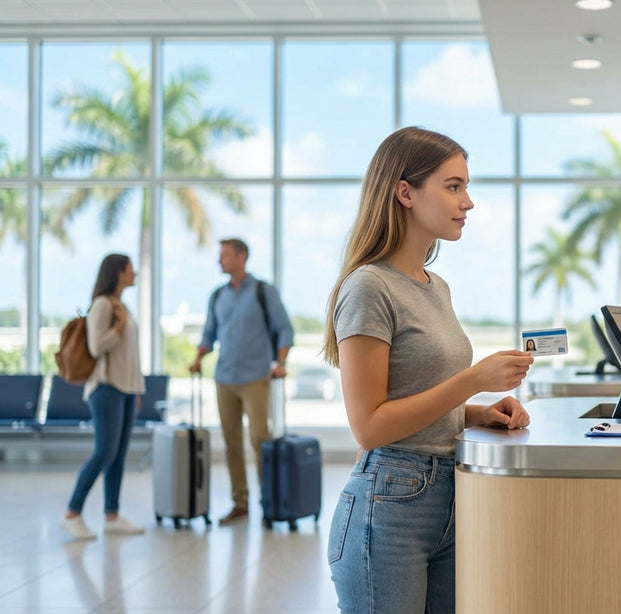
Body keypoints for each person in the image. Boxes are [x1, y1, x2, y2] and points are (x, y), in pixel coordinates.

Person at [322, 126, 534, 613]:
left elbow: (419, 395)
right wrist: (472, 380)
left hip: (448, 494)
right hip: (390, 502)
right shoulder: (369, 287)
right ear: (405, 193)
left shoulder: (435, 285)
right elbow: (371, 425)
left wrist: (479, 412)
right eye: (453, 186)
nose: (469, 202)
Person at [188, 238, 294, 525]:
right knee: (231, 443)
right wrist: (199, 357)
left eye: (224, 255)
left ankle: (270, 502)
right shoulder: (217, 296)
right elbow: (209, 334)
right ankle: (240, 503)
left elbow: (284, 329)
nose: (220, 260)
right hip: (225, 378)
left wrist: (280, 364)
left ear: (241, 257)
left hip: (256, 377)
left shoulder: (263, 292)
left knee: (260, 439)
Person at [60, 254, 146, 540]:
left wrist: (136, 389)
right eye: (131, 269)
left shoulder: (123, 306)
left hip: (124, 389)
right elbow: (97, 348)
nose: (135, 273)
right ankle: (72, 513)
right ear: (119, 272)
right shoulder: (102, 305)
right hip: (105, 388)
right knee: (104, 452)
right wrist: (118, 327)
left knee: (118, 455)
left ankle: (112, 515)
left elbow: (131, 356)